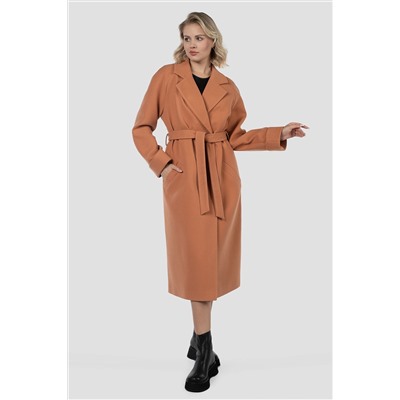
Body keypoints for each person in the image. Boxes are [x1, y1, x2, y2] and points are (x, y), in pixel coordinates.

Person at [131, 11, 308, 393]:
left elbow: (236, 136)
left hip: (221, 177)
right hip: (185, 179)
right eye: (186, 37)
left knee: (210, 266)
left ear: (213, 39)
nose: (192, 44)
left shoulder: (228, 86)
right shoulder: (166, 77)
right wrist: (162, 164)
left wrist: (279, 133)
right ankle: (206, 353)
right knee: (198, 267)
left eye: (199, 37)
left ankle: (199, 341)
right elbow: (141, 127)